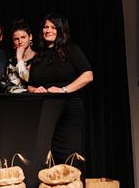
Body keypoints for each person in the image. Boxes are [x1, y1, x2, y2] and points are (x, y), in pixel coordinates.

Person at [28, 13, 93, 164]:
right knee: (46, 161)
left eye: (53, 27)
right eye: (45, 27)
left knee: (69, 158)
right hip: (45, 114)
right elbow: (30, 85)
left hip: (68, 111)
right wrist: (35, 90)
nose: (48, 30)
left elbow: (88, 75)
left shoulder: (71, 50)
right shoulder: (39, 56)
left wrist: (63, 90)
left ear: (60, 30)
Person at [2, 19, 36, 93]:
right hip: (15, 100)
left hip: (35, 99)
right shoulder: (11, 62)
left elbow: (27, 79)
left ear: (30, 37)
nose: (20, 42)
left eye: (23, 37)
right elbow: (8, 86)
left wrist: (20, 59)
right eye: (16, 39)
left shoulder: (39, 58)